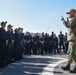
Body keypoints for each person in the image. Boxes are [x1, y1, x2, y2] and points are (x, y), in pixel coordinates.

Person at [61, 8, 76, 73]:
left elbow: (68, 25)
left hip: (74, 40)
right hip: (72, 39)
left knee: (72, 53)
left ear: (73, 12)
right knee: (70, 53)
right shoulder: (73, 20)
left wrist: (63, 21)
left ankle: (72, 66)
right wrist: (67, 22)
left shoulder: (75, 19)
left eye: (69, 13)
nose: (68, 14)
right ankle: (68, 65)